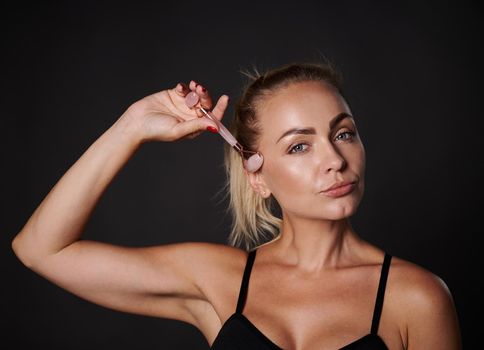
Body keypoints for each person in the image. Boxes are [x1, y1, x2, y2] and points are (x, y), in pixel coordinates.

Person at [12, 62, 462, 349]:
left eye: (343, 134)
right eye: (299, 147)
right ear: (257, 175)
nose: (336, 160)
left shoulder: (416, 299)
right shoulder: (218, 280)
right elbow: (40, 249)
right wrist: (132, 126)